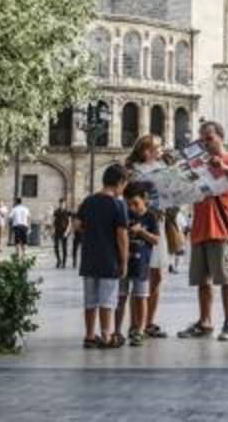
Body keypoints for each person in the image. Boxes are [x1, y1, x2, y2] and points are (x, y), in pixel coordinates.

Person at [178, 121, 228, 342]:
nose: (205, 143)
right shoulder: (199, 163)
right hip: (199, 227)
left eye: (209, 138)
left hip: (221, 228)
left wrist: (223, 167)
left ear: (220, 137)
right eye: (202, 139)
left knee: (227, 279)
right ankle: (205, 322)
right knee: (202, 281)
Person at [126, 134, 195, 340]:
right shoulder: (134, 172)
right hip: (142, 225)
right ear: (146, 151)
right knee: (140, 275)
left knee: (157, 276)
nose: (162, 149)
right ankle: (135, 323)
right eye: (158, 146)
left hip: (160, 224)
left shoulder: (165, 168)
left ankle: (149, 322)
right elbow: (130, 198)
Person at [75, 163, 130, 349]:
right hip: (110, 259)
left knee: (89, 300)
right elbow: (122, 236)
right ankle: (106, 335)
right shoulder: (118, 204)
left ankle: (89, 335)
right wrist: (124, 261)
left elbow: (77, 225)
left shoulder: (88, 201)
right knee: (107, 299)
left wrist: (91, 234)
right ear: (120, 182)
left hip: (89, 257)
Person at [116, 183, 159, 346]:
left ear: (145, 200)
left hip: (142, 264)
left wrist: (141, 232)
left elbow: (156, 239)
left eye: (136, 203)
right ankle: (117, 330)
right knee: (120, 297)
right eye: (128, 204)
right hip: (124, 263)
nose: (132, 207)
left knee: (141, 297)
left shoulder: (150, 216)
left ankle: (139, 330)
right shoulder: (124, 214)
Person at [52, 198, 73, 269]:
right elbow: (53, 221)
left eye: (63, 204)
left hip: (65, 231)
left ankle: (64, 263)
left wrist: (67, 232)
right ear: (59, 204)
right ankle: (58, 260)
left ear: (65, 204)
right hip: (57, 231)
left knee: (64, 248)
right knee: (56, 247)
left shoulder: (68, 212)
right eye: (61, 204)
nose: (62, 205)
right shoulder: (56, 211)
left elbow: (70, 223)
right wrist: (53, 230)